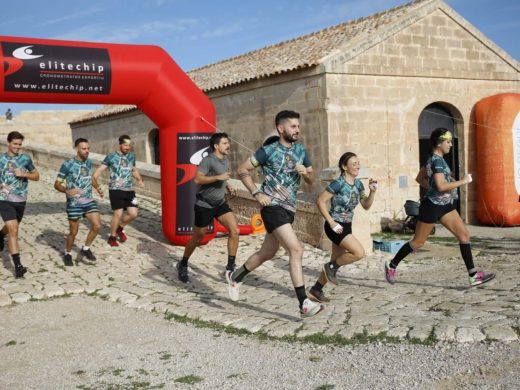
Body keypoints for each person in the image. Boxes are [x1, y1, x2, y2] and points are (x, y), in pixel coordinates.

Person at [228, 110, 322, 318]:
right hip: (272, 207)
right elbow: (242, 170)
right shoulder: (267, 151)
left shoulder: (301, 151)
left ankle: (235, 276)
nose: (297, 130)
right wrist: (257, 193)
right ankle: (303, 303)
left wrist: (305, 173)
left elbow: (312, 178)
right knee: (296, 249)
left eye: (298, 126)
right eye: (293, 126)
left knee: (267, 253)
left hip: (289, 209)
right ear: (281, 128)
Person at [384, 128, 495, 287]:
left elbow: (419, 178)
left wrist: (432, 187)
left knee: (464, 235)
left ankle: (473, 276)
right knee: (418, 242)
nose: (450, 144)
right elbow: (441, 186)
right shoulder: (436, 161)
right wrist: (463, 181)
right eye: (448, 142)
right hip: (432, 207)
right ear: (439, 143)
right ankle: (392, 265)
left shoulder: (434, 158)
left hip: (445, 206)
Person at [307, 152, 377, 303]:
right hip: (335, 226)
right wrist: (331, 222)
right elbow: (320, 201)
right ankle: (329, 267)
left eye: (358, 163)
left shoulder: (358, 184)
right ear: (345, 167)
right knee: (358, 252)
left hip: (347, 225)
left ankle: (316, 289)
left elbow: (366, 205)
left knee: (336, 260)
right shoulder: (337, 183)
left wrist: (372, 191)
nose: (358, 165)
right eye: (354, 163)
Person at [177, 132, 239, 282]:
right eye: (224, 143)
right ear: (216, 146)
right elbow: (198, 179)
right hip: (204, 204)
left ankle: (230, 267)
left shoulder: (225, 160)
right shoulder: (208, 160)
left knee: (234, 230)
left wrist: (227, 185)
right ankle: (183, 263)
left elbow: (222, 177)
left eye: (227, 142)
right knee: (198, 237)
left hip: (220, 203)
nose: (228, 145)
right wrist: (218, 177)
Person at [54, 138, 103, 266]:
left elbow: (90, 177)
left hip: (88, 201)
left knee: (97, 226)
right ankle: (68, 253)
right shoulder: (67, 164)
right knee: (73, 232)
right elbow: (57, 184)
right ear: (77, 149)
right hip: (74, 203)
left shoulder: (89, 162)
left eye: (88, 148)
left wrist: (97, 187)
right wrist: (66, 190)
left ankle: (85, 249)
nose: (87, 151)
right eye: (84, 149)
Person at [0, 131, 39, 278]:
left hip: (21, 200)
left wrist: (24, 174)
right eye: (15, 144)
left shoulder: (25, 159)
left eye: (20, 144)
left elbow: (37, 176)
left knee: (13, 226)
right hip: (4, 199)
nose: (17, 147)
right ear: (8, 143)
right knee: (14, 230)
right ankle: (17, 266)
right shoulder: (1, 159)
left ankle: (0, 234)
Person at [92, 135, 144, 247]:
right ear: (120, 144)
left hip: (129, 190)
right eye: (125, 145)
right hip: (115, 189)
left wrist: (139, 179)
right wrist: (93, 179)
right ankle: (112, 237)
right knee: (118, 213)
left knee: (133, 214)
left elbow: (133, 170)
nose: (128, 147)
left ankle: (120, 228)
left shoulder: (131, 156)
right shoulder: (111, 156)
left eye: (129, 145)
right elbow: (101, 169)